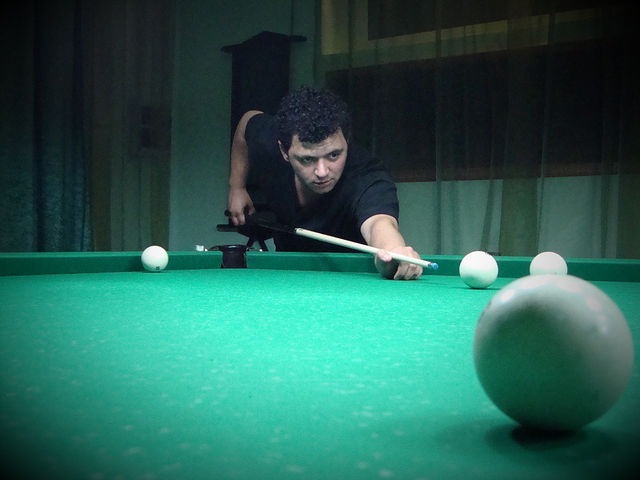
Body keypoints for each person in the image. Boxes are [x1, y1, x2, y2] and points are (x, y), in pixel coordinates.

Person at [226, 86, 423, 280]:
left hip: (350, 279)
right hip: (287, 274)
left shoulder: (366, 175)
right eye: (307, 159)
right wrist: (237, 186)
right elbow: (246, 122)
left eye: (334, 155)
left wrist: (392, 250)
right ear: (284, 151)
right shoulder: (269, 142)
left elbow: (378, 223)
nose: (322, 172)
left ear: (347, 140)